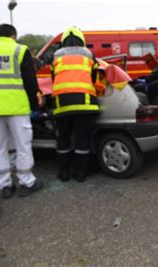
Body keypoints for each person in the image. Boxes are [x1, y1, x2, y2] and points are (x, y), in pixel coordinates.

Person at [0, 24, 43, 198]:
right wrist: (35, 104)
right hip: (16, 107)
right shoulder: (19, 50)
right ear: (13, 35)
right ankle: (26, 182)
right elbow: (29, 80)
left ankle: (4, 186)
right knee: (22, 145)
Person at [51, 27, 100, 182]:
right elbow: (94, 77)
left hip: (62, 106)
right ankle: (80, 173)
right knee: (83, 140)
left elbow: (54, 77)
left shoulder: (56, 55)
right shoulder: (88, 54)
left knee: (63, 140)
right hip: (85, 105)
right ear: (82, 40)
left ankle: (63, 172)